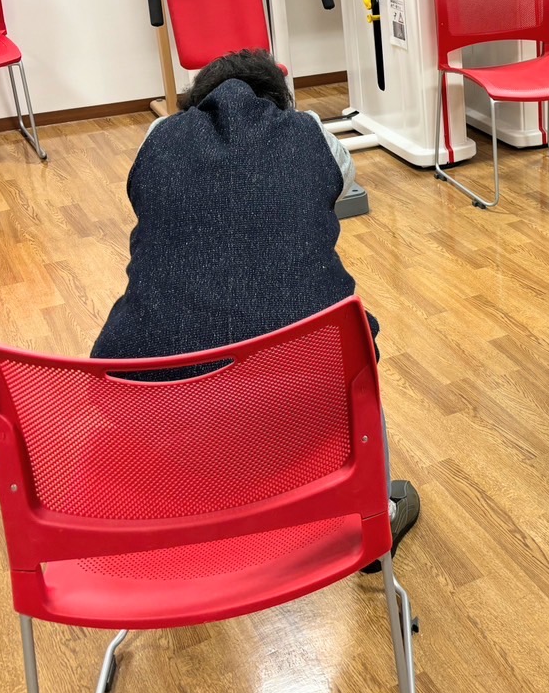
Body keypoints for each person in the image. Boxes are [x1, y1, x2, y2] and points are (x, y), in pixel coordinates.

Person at [91, 49, 419, 571]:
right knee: (354, 347)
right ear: (280, 102)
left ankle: (185, 501)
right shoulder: (313, 134)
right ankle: (373, 516)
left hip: (153, 399)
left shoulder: (158, 138)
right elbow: (340, 189)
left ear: (194, 104)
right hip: (301, 393)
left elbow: (145, 198)